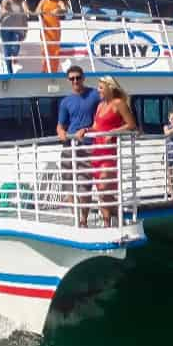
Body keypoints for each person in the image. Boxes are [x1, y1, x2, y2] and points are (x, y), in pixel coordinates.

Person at [89, 76, 137, 226]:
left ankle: (119, 213)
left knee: (104, 187)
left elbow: (131, 125)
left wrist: (114, 131)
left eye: (101, 87)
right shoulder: (100, 106)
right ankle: (107, 224)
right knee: (101, 191)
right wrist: (85, 129)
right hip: (96, 151)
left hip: (109, 152)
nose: (98, 90)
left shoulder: (119, 103)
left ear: (110, 88)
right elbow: (96, 127)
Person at [57, 65, 100, 227]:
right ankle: (76, 218)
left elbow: (107, 111)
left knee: (84, 184)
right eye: (72, 78)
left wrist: (88, 129)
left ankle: (83, 219)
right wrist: (61, 132)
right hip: (69, 146)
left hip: (88, 145)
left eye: (78, 77)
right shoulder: (66, 101)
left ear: (83, 78)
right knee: (69, 183)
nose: (75, 81)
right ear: (68, 80)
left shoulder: (95, 95)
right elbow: (60, 125)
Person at [35, 0, 68, 73]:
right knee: (45, 51)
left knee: (55, 51)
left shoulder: (59, 1)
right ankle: (44, 71)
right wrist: (40, 12)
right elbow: (37, 11)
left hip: (55, 29)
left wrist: (59, 10)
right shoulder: (43, 1)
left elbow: (65, 10)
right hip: (45, 29)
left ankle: (53, 71)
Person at [0, 0, 29, 72]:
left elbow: (25, 15)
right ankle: (10, 72)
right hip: (5, 28)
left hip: (17, 29)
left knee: (15, 48)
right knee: (7, 49)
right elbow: (4, 6)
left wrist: (25, 30)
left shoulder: (22, 3)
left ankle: (14, 56)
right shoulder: (6, 0)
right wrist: (4, 10)